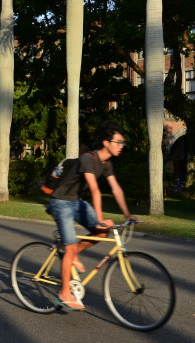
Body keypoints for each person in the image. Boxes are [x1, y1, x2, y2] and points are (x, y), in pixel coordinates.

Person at [46, 120, 136, 311]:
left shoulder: (106, 164)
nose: (121, 146)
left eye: (123, 143)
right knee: (71, 247)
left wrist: (128, 214)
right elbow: (95, 190)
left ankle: (72, 254)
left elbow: (116, 189)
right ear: (106, 142)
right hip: (61, 201)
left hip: (76, 202)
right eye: (118, 142)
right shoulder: (88, 159)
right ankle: (64, 293)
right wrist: (101, 217)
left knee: (102, 232)